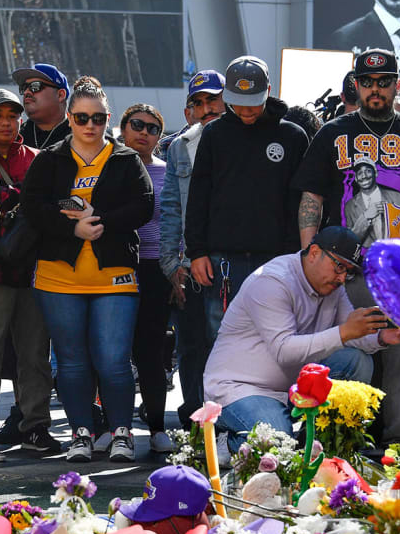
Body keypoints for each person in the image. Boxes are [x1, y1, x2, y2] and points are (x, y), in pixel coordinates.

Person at [292, 48, 400, 444]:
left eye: (384, 82)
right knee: (348, 357)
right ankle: (345, 447)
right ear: (356, 85)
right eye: (367, 82)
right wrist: (311, 264)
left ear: (396, 85)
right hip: (348, 272)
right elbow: (312, 199)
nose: (375, 89)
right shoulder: (333, 132)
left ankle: (398, 449)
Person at [23, 77, 153, 464]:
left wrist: (104, 222)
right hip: (58, 276)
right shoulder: (50, 158)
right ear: (70, 117)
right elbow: (33, 207)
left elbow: (144, 204)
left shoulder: (126, 159)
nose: (90, 125)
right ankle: (81, 432)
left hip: (114, 275)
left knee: (114, 360)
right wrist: (71, 228)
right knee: (71, 360)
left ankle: (122, 433)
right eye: (81, 118)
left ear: (108, 118)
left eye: (97, 118)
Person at [204, 227, 400, 447]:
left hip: (293, 386)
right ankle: (222, 438)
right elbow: (285, 350)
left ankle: (323, 447)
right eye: (339, 266)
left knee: (357, 361)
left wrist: (383, 337)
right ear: (315, 252)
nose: (342, 278)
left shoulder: (333, 288)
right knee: (278, 444)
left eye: (348, 271)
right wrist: (345, 331)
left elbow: (351, 333)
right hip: (241, 389)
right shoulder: (272, 281)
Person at [185, 56, 309, 347]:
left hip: (279, 259)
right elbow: (199, 196)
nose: (245, 110)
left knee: (279, 338)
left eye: (252, 101)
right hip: (223, 260)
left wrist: (297, 257)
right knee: (223, 339)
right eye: (238, 101)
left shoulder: (292, 136)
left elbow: (302, 203)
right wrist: (197, 252)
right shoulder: (214, 134)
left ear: (267, 90)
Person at [0, 89, 60, 460]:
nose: (7, 122)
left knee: (35, 353)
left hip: (33, 269)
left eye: (13, 115)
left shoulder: (38, 159)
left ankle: (35, 425)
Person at [159, 70, 226, 429]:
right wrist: (171, 266)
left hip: (230, 262)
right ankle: (195, 420)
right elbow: (170, 209)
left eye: (212, 100)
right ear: (188, 111)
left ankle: (225, 419)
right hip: (187, 263)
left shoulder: (239, 142)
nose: (206, 108)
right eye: (198, 103)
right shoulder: (179, 147)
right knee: (190, 345)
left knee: (224, 342)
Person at [121, 102, 176, 454]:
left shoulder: (168, 172)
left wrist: (177, 270)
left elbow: (176, 222)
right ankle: (114, 428)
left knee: (151, 351)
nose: (144, 132)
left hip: (156, 267)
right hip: (114, 268)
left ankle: (156, 426)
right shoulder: (106, 166)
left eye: (153, 128)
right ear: (123, 127)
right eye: (137, 125)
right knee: (110, 352)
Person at [157, 69, 224, 161]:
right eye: (198, 103)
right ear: (189, 113)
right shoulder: (176, 147)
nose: (206, 110)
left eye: (212, 100)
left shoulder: (246, 137)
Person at [13, 63, 71, 150]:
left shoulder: (81, 138)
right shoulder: (14, 138)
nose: (26, 92)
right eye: (24, 87)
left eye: (35, 86)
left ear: (60, 95)